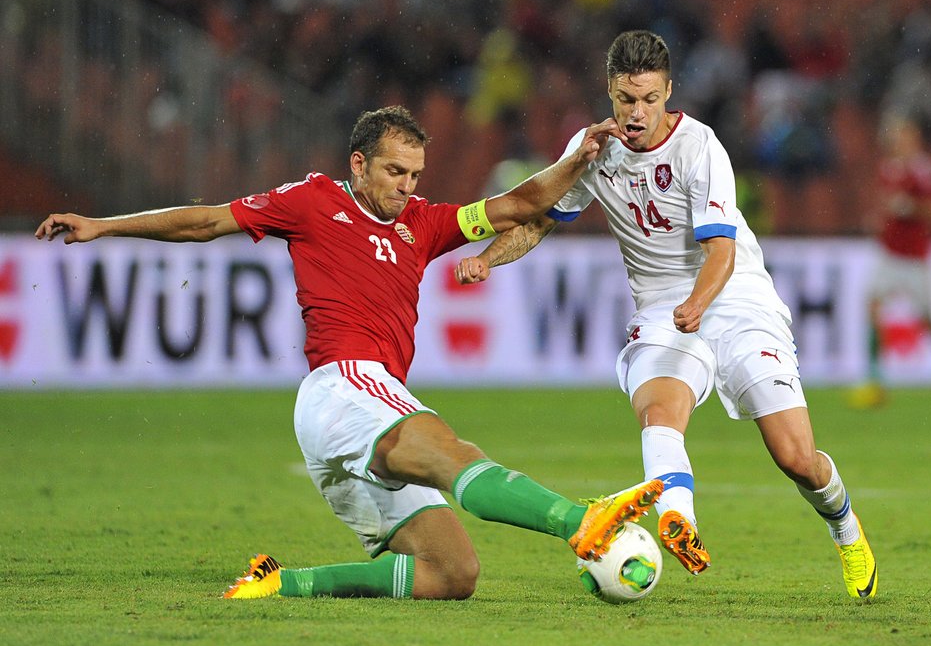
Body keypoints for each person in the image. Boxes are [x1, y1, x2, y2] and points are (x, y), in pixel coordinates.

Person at [35, 105, 663, 601]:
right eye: (395, 172)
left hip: (354, 413)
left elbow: (522, 205)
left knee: (452, 573)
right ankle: (577, 521)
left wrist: (579, 157)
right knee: (449, 451)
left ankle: (282, 582)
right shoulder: (312, 202)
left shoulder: (424, 223)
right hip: (344, 385)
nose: (406, 187)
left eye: (416, 174)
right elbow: (206, 221)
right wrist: (103, 225)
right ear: (358, 164)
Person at [455, 31, 878, 600]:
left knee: (796, 457)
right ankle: (679, 518)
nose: (637, 113)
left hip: (733, 295)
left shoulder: (700, 145)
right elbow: (539, 220)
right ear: (609, 91)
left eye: (650, 99)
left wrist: (697, 306)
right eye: (627, 99)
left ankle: (846, 530)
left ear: (668, 92)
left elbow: (721, 252)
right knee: (659, 408)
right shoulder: (592, 149)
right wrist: (486, 259)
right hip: (662, 307)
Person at [848, 115, 931, 409]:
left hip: (915, 257)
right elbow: (887, 205)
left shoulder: (922, 169)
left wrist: (910, 207)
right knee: (873, 306)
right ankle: (875, 382)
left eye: (902, 136)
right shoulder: (888, 168)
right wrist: (882, 220)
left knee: (928, 319)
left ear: (914, 139)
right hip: (889, 253)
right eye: (894, 137)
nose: (897, 142)